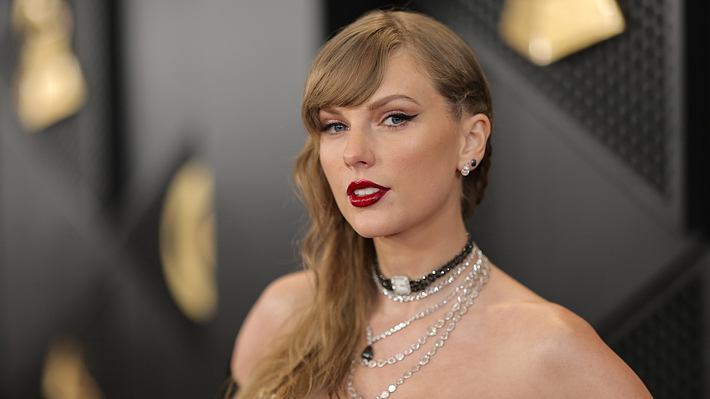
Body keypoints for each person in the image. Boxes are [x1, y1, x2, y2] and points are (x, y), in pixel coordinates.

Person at [227, 9, 653, 399]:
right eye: (335, 125)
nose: (354, 152)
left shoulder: (548, 349)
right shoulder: (284, 317)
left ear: (470, 140)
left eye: (394, 118)